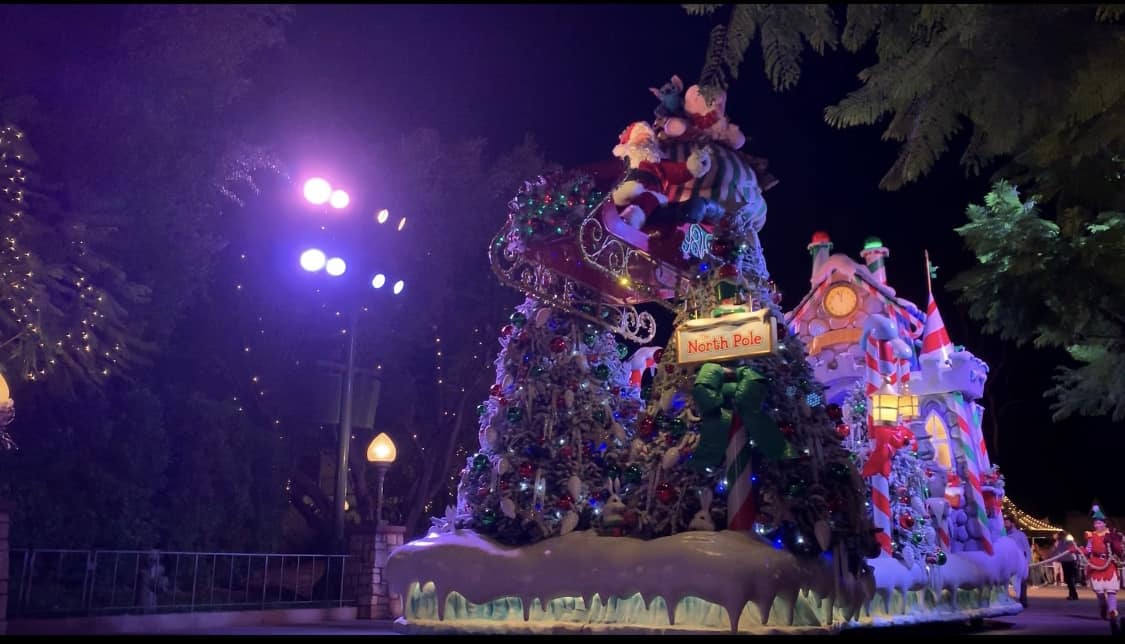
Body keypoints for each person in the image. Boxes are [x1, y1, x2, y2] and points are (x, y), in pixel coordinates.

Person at [1083, 505, 1124, 634]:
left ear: (1104, 523)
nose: (1097, 525)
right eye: (1095, 523)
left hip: (1108, 563)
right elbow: (1088, 550)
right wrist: (1079, 550)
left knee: (1111, 590)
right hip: (1095, 564)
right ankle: (1103, 606)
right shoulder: (1091, 536)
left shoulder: (1111, 534)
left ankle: (1113, 611)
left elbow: (1119, 551)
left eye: (1099, 523)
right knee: (1099, 591)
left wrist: (1114, 541)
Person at [1004, 515, 1030, 607]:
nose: (1005, 525)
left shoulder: (1020, 535)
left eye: (1007, 523)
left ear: (1013, 523)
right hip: (1007, 562)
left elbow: (1027, 549)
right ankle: (1005, 599)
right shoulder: (1004, 535)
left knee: (1022, 582)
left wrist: (1027, 562)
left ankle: (1023, 601)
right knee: (1005, 582)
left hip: (1020, 563)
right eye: (1004, 523)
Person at [1051, 529, 1080, 600]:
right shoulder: (1062, 542)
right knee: (1069, 579)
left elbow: (1057, 551)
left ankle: (1074, 595)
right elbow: (1057, 551)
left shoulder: (1065, 542)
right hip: (1066, 561)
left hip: (1068, 561)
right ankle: (1072, 594)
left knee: (1069, 579)